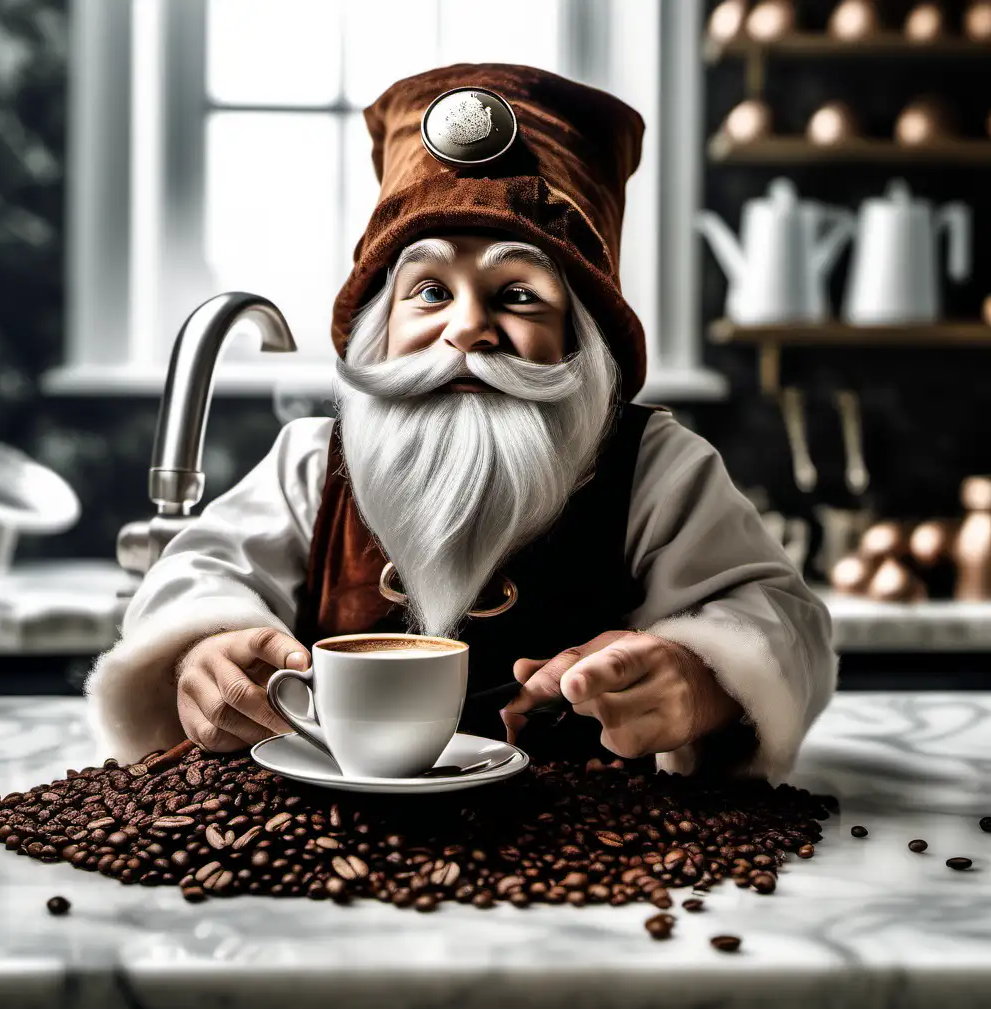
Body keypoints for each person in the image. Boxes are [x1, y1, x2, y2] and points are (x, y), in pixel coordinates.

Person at [85, 64, 837, 782]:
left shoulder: (657, 467)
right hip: (336, 830)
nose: (468, 330)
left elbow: (774, 615)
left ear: (579, 338)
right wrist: (204, 650)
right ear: (381, 327)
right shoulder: (314, 462)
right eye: (430, 292)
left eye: (517, 295)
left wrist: (698, 679)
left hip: (583, 843)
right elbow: (201, 573)